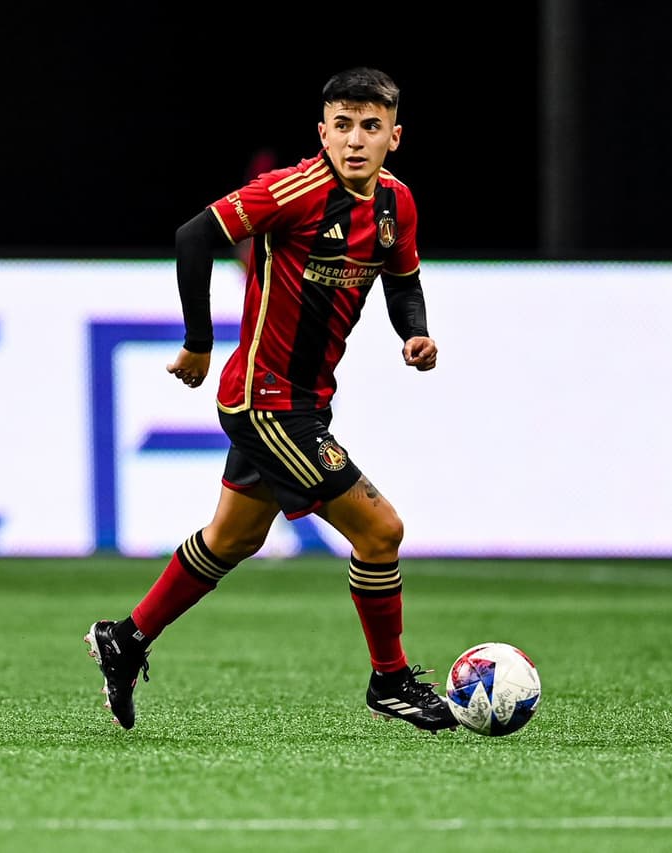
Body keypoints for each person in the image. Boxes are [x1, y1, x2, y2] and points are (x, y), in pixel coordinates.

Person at [85, 67, 453, 732]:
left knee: (233, 536)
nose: (355, 139)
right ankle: (390, 680)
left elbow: (403, 280)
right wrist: (198, 342)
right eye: (342, 124)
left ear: (394, 137)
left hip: (307, 401)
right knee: (381, 529)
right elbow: (195, 235)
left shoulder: (397, 205)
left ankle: (126, 638)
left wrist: (416, 332)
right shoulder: (294, 190)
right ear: (323, 132)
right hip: (265, 401)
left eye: (371, 126)